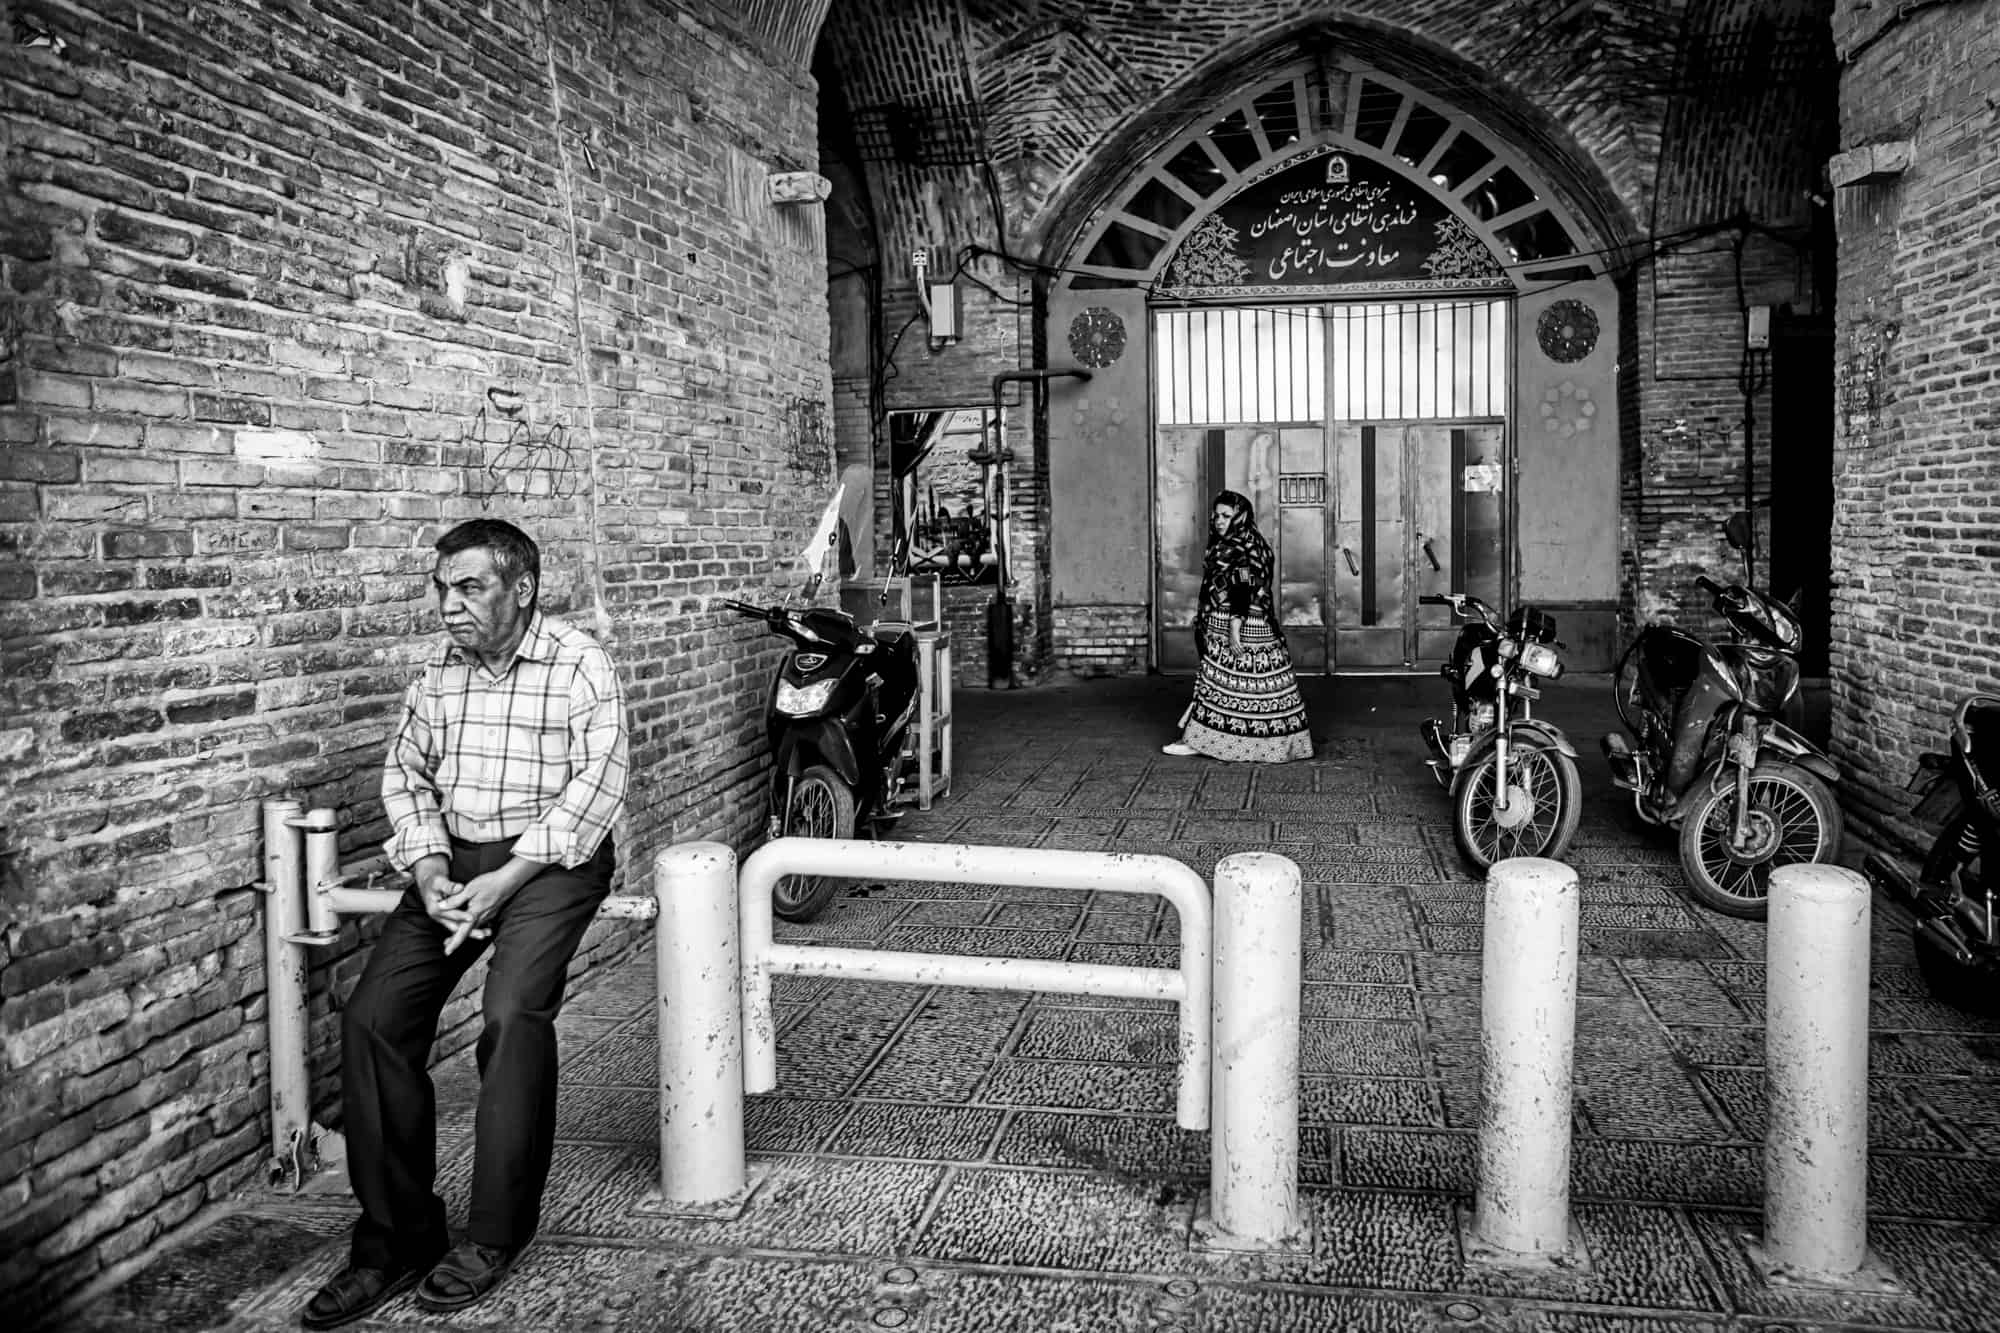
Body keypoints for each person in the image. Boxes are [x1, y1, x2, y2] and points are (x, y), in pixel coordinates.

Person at [302, 519, 629, 1329]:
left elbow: (599, 782)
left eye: (469, 587)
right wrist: (431, 870)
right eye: (442, 588)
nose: (449, 605)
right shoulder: (437, 673)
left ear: (521, 589)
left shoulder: (579, 661)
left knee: (512, 1013)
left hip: (553, 861)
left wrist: (507, 879)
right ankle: (396, 1236)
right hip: (454, 865)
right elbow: (405, 775)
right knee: (374, 1020)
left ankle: (493, 1234)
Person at [1162, 490, 1314, 762]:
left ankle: (1203, 741)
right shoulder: (1254, 542)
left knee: (1221, 686)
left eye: (1226, 516)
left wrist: (1234, 629)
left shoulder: (1237, 545)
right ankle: (1275, 746)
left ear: (1240, 517)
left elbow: (1243, 584)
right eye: (1216, 515)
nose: (1218, 521)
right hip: (1258, 622)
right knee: (1257, 688)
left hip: (1236, 621)